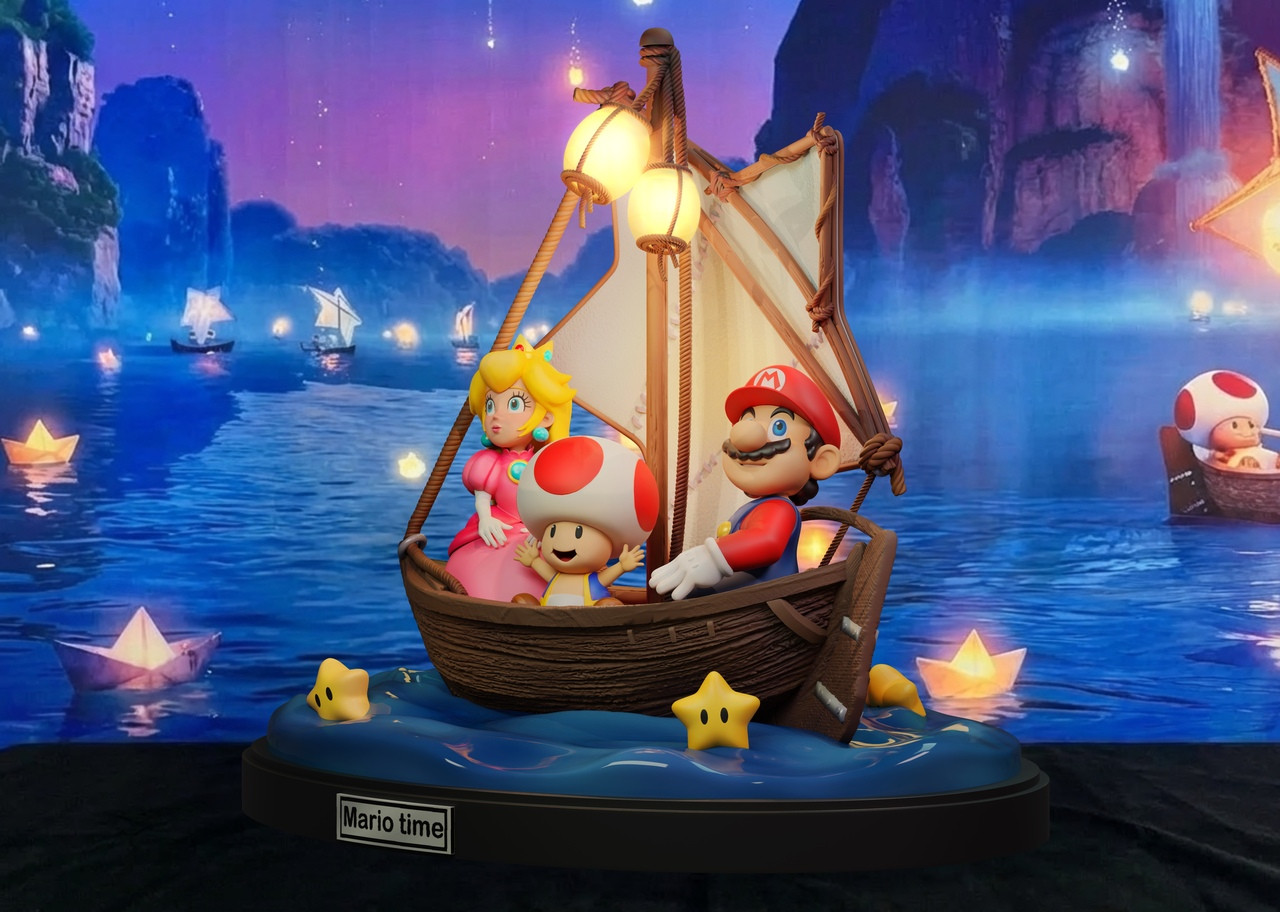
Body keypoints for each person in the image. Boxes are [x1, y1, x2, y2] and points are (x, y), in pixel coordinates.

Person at [650, 365, 842, 600]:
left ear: (821, 461)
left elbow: (767, 541)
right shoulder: (757, 507)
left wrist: (713, 557)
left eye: (778, 427)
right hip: (742, 604)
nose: (746, 438)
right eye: (746, 420)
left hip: (763, 607)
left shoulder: (780, 509)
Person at [443, 334, 575, 601]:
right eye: (490, 404)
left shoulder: (546, 464)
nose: (496, 415)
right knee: (481, 572)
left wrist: (541, 528)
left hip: (535, 534)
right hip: (497, 527)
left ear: (546, 417)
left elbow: (556, 504)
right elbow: (483, 498)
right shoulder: (489, 463)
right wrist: (486, 519)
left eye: (514, 404)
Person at [510, 435, 658, 606]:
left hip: (585, 616)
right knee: (522, 601)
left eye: (578, 533)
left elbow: (605, 578)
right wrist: (534, 560)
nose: (562, 543)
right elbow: (544, 570)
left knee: (608, 605)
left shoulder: (592, 581)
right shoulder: (555, 576)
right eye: (553, 531)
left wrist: (622, 566)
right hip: (549, 616)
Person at [1174, 370, 1280, 471]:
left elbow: (1269, 458)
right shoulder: (1222, 456)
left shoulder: (1260, 452)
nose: (1247, 431)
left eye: (1251, 425)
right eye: (1235, 425)